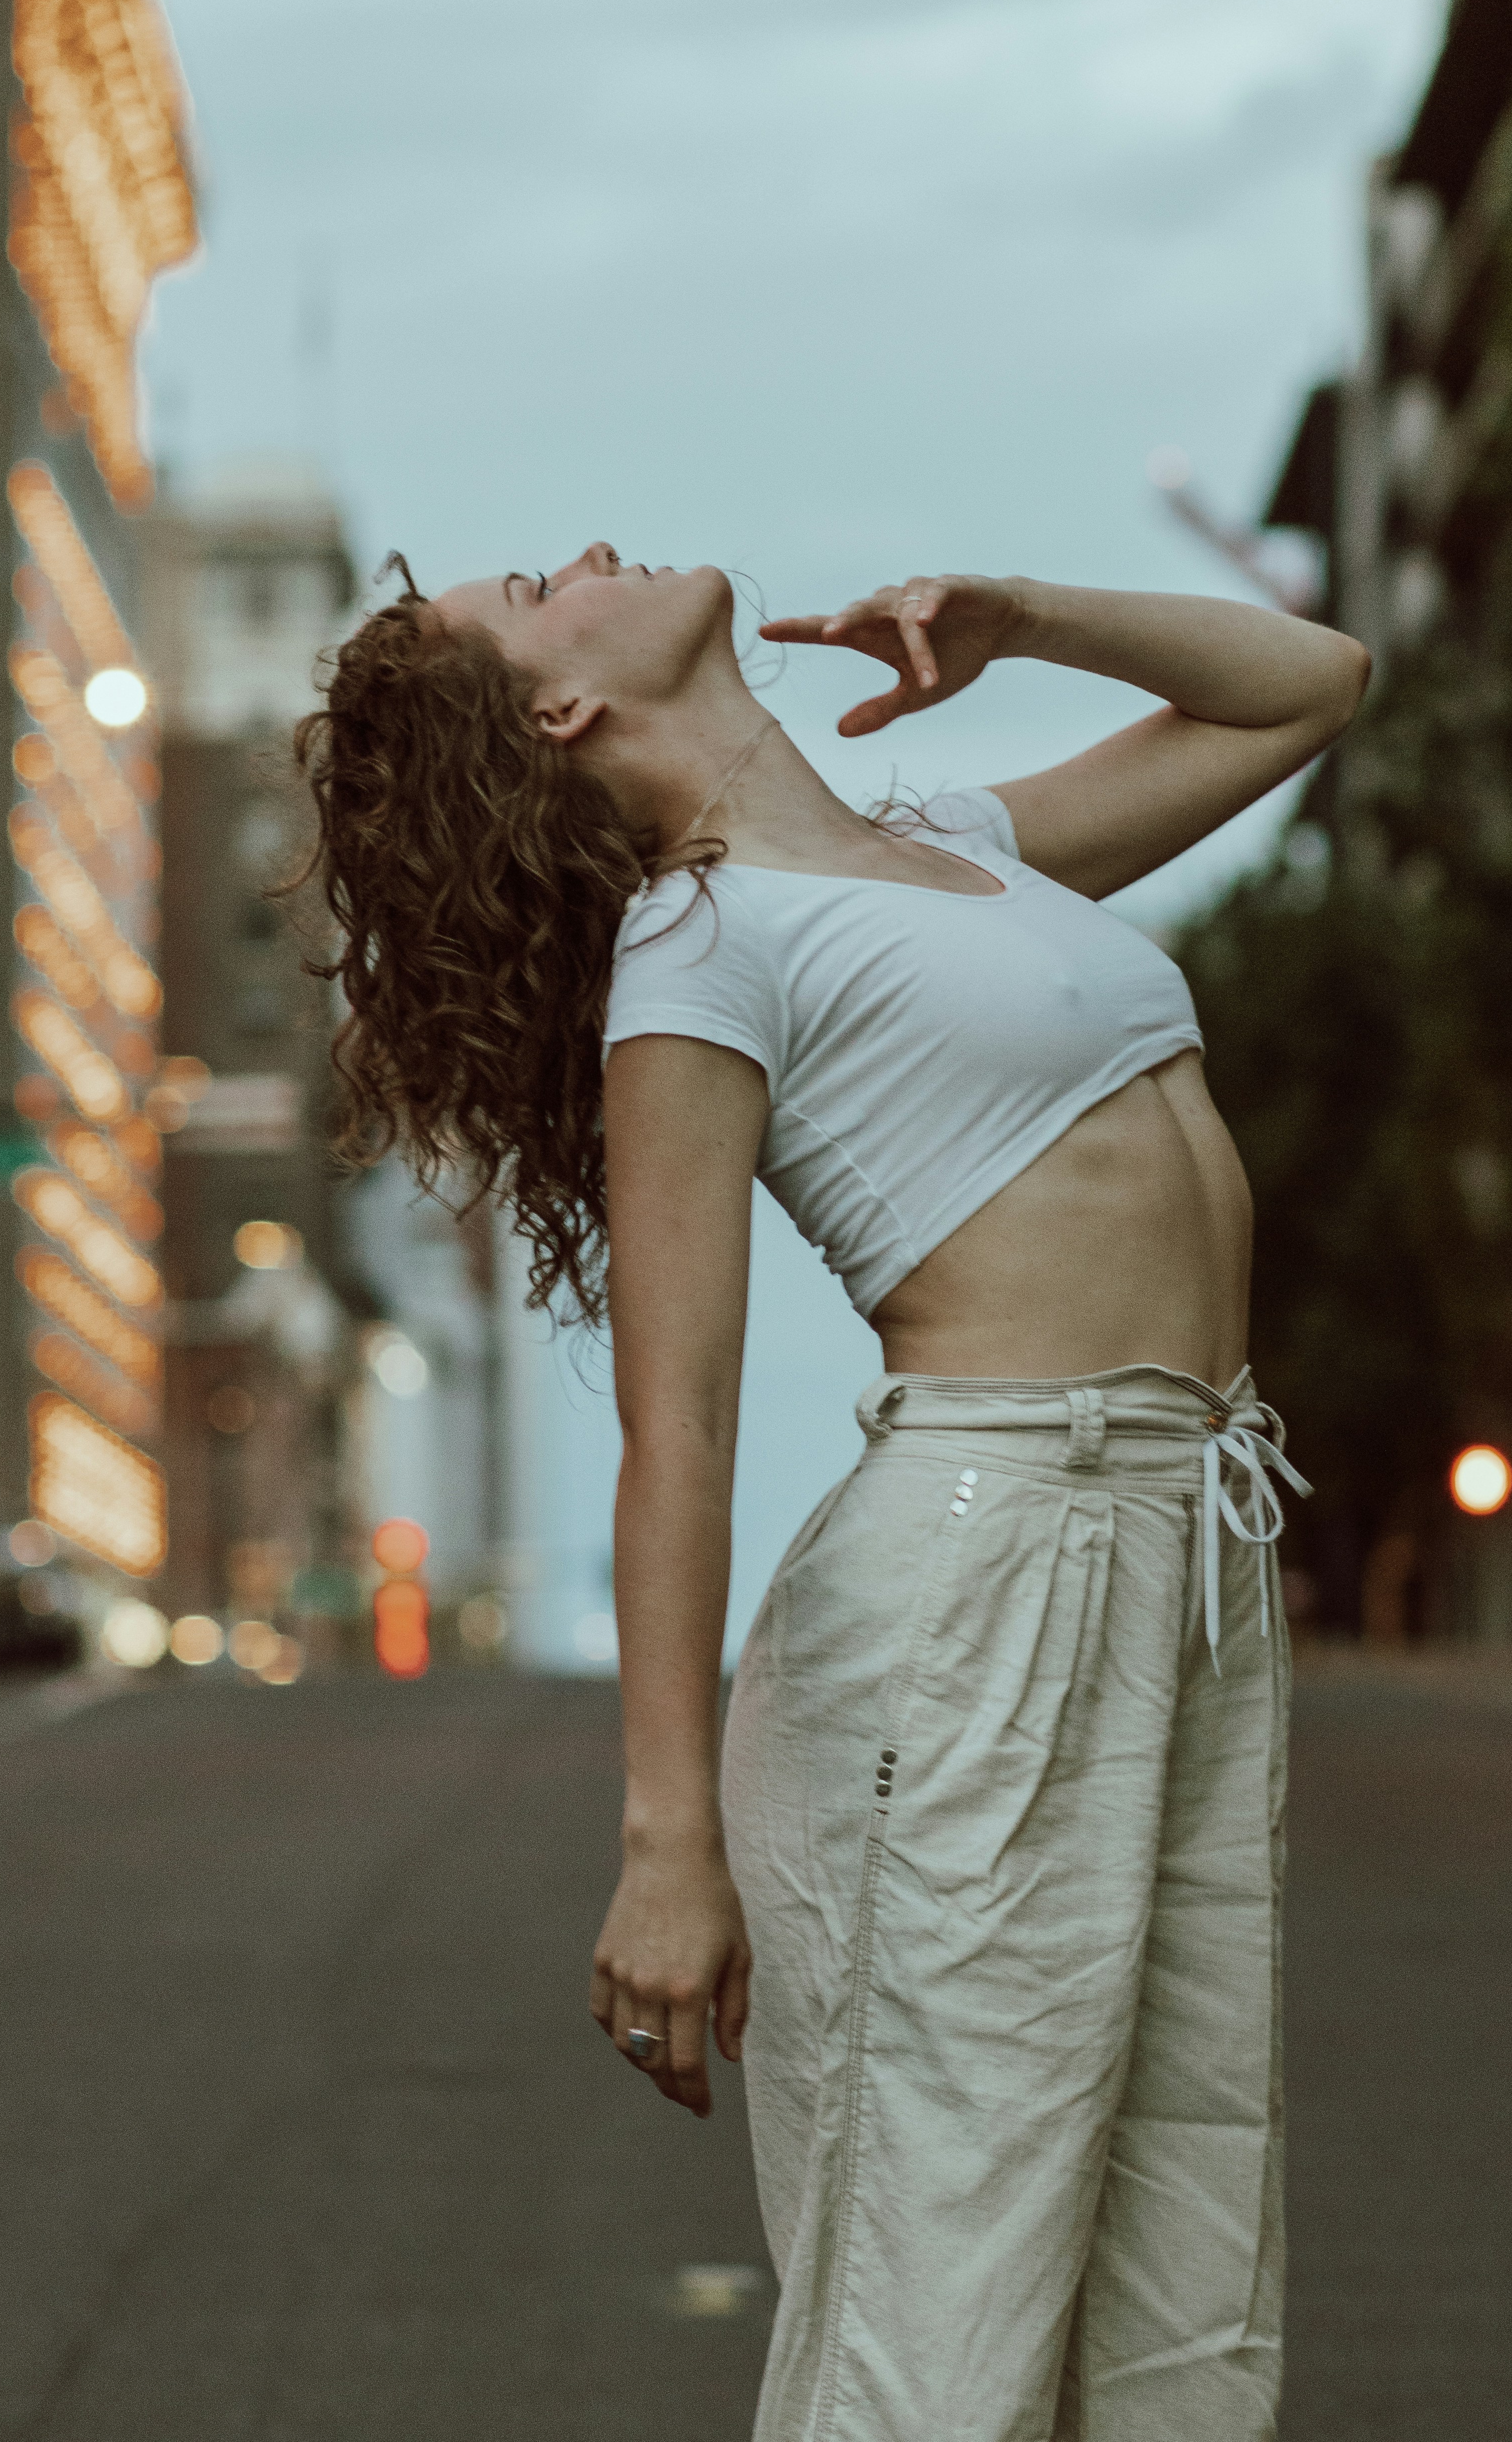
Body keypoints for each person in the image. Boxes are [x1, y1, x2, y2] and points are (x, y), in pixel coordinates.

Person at [295, 545, 1368, 2442]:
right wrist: (665, 1839)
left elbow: (1311, 683)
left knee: (1186, 2252)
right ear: (559, 710)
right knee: (934, 2287)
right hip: (976, 1575)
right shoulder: (701, 952)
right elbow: (680, 1424)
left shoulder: (946, 843)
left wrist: (1026, 620)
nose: (595, 556)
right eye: (541, 588)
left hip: (1184, 1543)